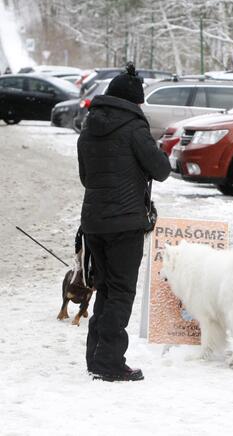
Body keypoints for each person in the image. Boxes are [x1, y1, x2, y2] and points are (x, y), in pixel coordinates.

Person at [78, 63, 170, 381]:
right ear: (134, 101)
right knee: (120, 292)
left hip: (93, 221)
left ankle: (96, 357)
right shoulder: (135, 128)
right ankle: (109, 362)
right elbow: (161, 170)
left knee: (105, 288)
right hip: (125, 223)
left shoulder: (89, 126)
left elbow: (86, 177)